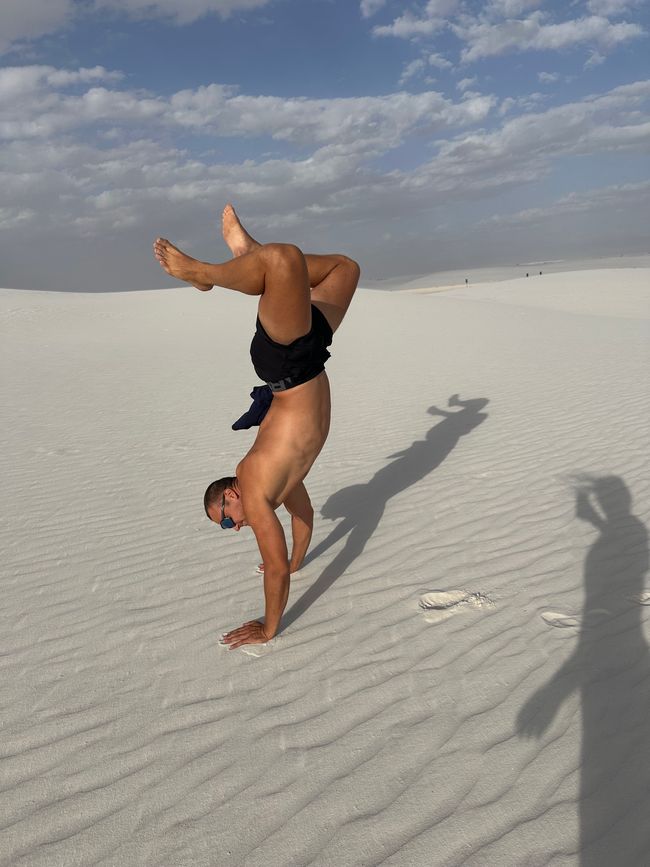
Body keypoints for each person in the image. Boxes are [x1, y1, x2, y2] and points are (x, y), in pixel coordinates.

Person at [153, 205, 360, 649]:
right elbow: (303, 518)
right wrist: (298, 561)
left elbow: (275, 567)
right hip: (310, 355)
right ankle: (249, 256)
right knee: (344, 268)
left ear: (231, 496)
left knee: (283, 260)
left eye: (226, 522)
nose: (237, 528)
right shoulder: (280, 487)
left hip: (285, 364)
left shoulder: (254, 483)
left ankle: (205, 274)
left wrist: (269, 628)